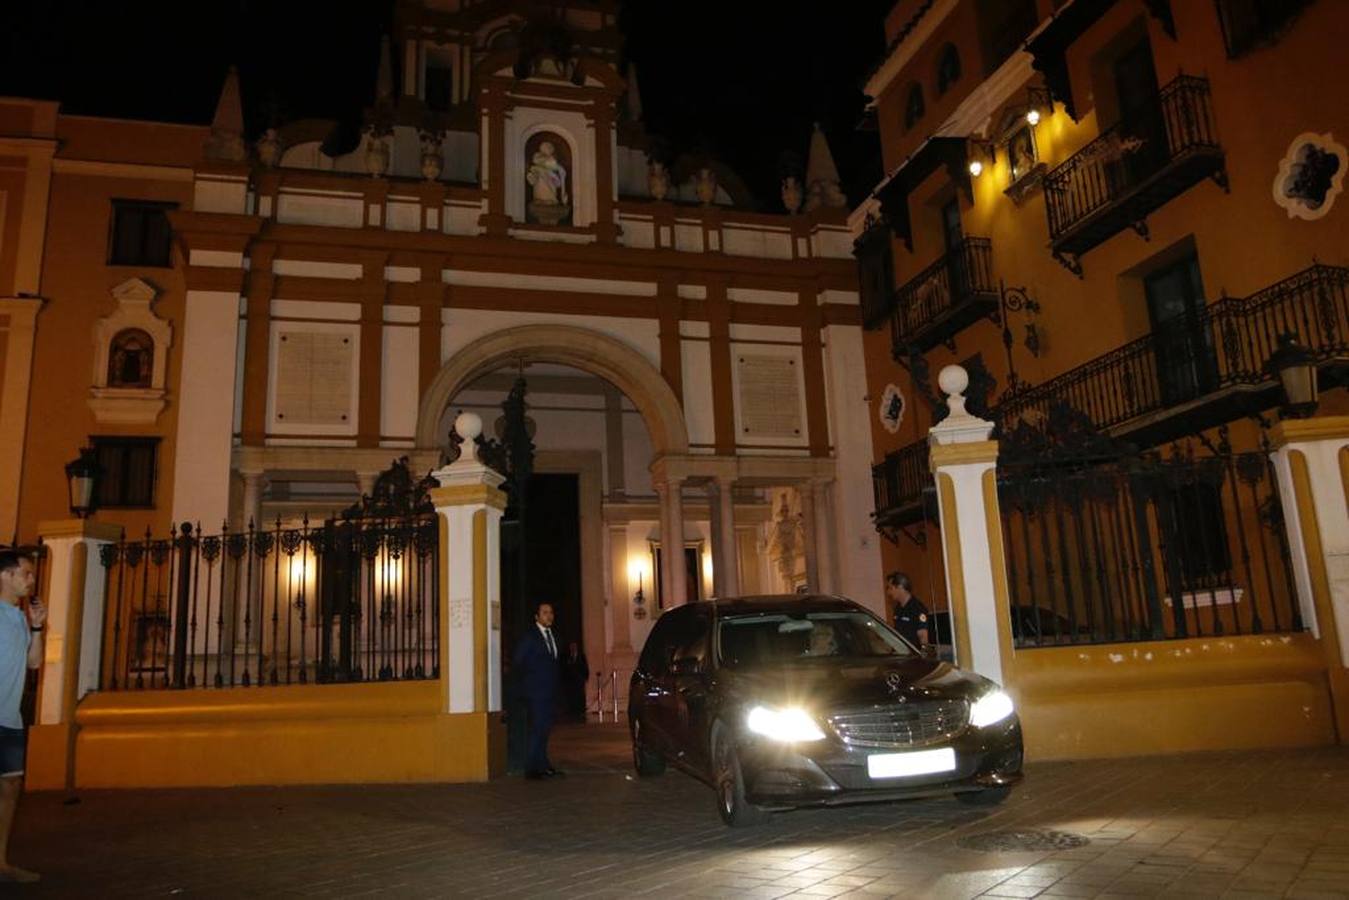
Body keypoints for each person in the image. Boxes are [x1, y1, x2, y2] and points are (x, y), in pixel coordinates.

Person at [0, 550, 43, 883]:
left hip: (10, 718)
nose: (31, 580)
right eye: (26, 573)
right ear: (6, 576)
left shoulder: (19, 618)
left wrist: (38, 628)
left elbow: (33, 664)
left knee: (11, 787)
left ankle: (0, 862)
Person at [512, 601, 563, 779]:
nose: (549, 615)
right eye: (545, 612)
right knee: (537, 728)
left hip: (549, 692)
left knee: (545, 729)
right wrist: (530, 680)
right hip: (535, 692)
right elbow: (518, 660)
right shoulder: (530, 637)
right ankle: (532, 768)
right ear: (537, 617)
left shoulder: (553, 636)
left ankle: (543, 764)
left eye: (551, 612)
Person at [886, 571, 930, 650]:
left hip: (914, 656)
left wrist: (924, 657)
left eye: (891, 588)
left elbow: (923, 636)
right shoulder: (898, 608)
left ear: (900, 587)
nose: (889, 592)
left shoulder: (918, 608)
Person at [561, 641, 589, 723]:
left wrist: (585, 677)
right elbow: (564, 669)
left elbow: (585, 667)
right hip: (570, 682)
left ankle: (580, 712)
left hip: (579, 681)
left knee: (580, 696)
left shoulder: (581, 656)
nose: (573, 648)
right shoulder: (567, 657)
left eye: (574, 646)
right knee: (571, 697)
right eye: (571, 646)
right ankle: (572, 712)